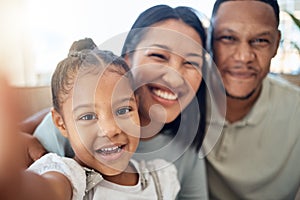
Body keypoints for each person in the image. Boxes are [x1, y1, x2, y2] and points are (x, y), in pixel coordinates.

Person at [22, 5, 209, 199]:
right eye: (159, 56)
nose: (174, 78)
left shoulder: (179, 158)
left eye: (191, 63)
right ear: (128, 60)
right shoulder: (65, 140)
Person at [26, 49, 180, 199]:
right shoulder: (67, 177)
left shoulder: (162, 178)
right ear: (61, 124)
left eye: (123, 110)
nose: (111, 129)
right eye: (88, 116)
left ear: (136, 105)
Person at [203, 0, 300, 199]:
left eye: (260, 41)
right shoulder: (180, 105)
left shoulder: (296, 110)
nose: (244, 57)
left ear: (275, 44)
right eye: (228, 38)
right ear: (209, 40)